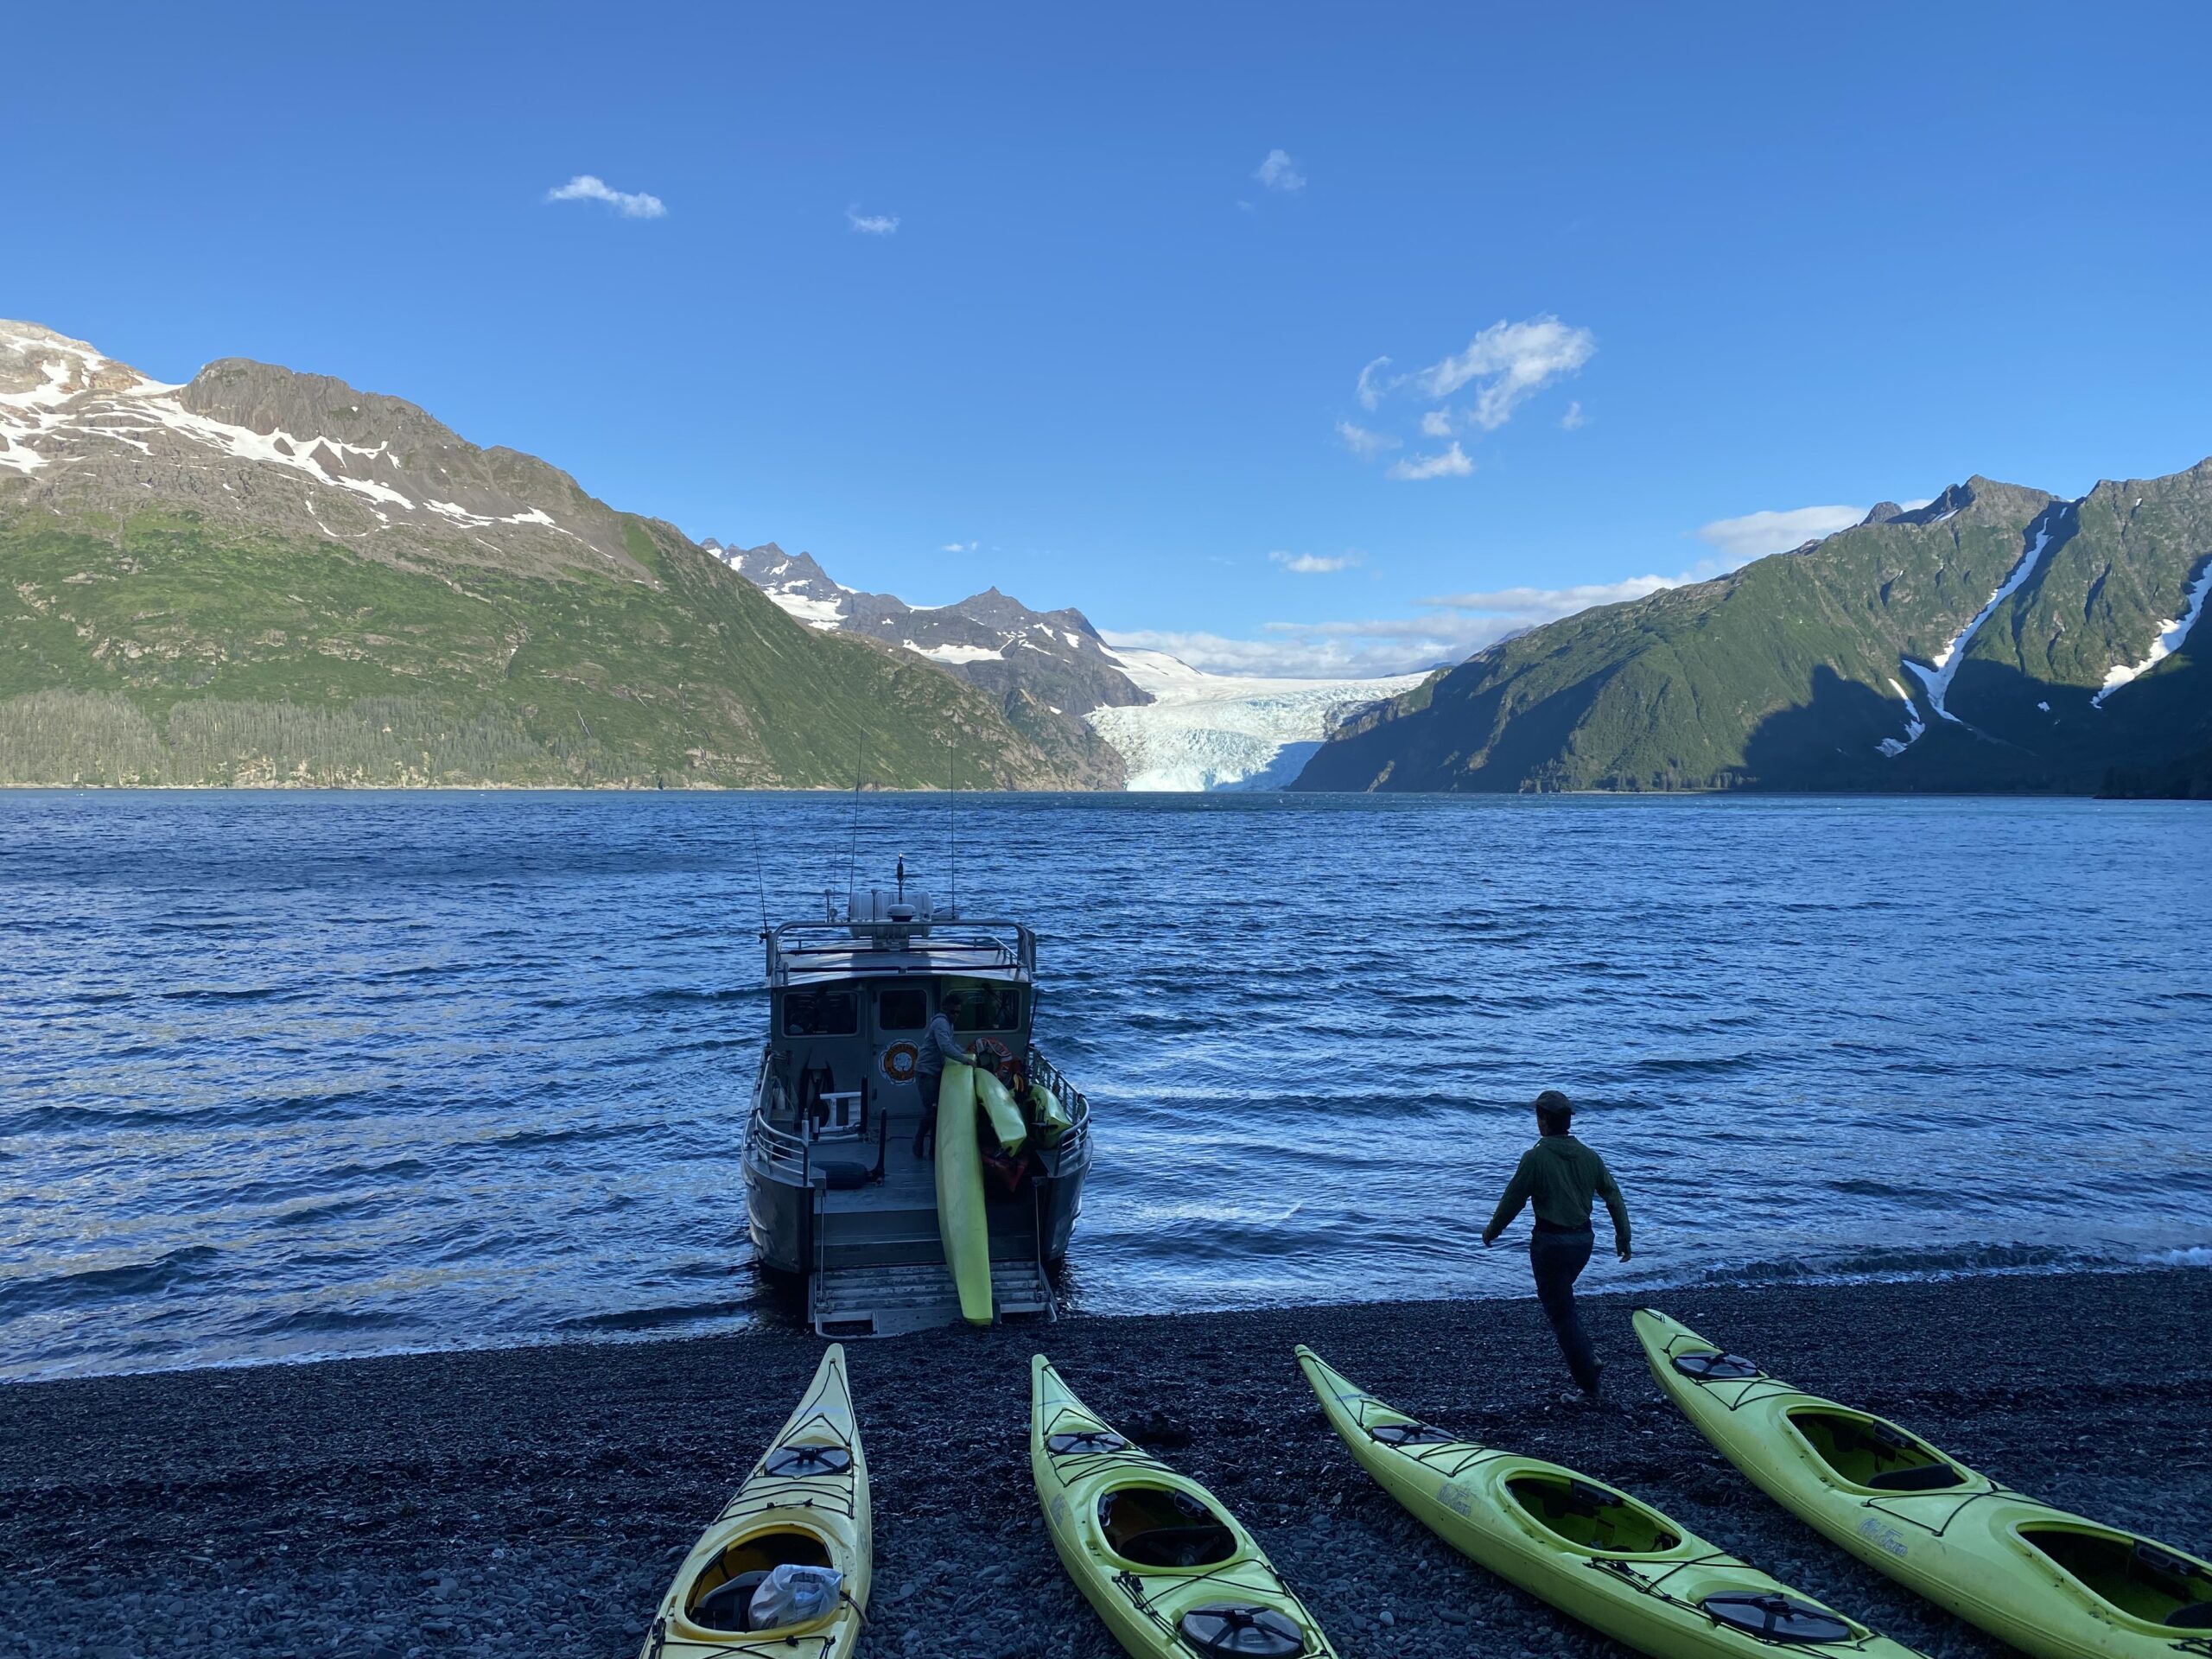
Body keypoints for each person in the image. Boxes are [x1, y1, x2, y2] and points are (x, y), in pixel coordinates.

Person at [1482, 1090, 1632, 1403]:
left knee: (1561, 1313)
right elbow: (1614, 1197)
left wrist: (1493, 1230)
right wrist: (1623, 1238)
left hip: (1550, 1244)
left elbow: (1513, 1199)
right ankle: (1587, 1355)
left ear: (1543, 1121)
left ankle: (1589, 1384)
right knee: (1565, 1303)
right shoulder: (1590, 1156)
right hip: (1583, 1243)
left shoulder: (1535, 1157)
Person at [911, 995, 978, 1158]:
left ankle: (933, 1150)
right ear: (945, 1009)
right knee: (932, 1111)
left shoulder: (948, 1023)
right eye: (953, 1012)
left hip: (934, 1071)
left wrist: (966, 1053)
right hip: (926, 1072)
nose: (956, 1015)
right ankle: (920, 1143)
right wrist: (964, 1060)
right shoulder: (941, 1023)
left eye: (958, 1013)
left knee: (935, 1111)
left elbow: (952, 1043)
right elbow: (945, 1047)